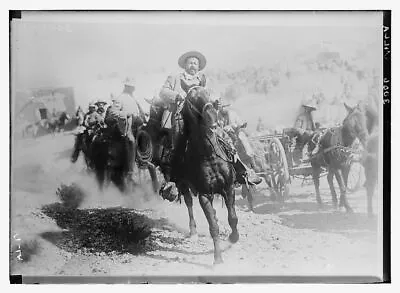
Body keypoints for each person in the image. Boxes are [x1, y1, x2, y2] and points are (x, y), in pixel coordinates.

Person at [158, 51, 261, 196]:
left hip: (203, 119)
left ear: (199, 66)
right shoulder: (175, 78)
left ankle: (242, 171)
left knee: (225, 139)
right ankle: (173, 183)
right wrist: (176, 95)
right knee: (179, 145)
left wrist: (216, 101)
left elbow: (213, 95)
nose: (193, 65)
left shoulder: (205, 80)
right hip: (182, 117)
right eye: (190, 62)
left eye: (195, 62)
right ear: (185, 65)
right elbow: (162, 92)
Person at [104, 78, 146, 175]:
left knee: (147, 136)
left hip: (137, 126)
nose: (132, 89)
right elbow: (112, 112)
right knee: (130, 141)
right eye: (129, 87)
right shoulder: (120, 98)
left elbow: (141, 113)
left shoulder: (134, 99)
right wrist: (126, 114)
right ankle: (130, 170)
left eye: (132, 87)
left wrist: (141, 118)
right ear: (126, 87)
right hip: (126, 127)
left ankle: (144, 163)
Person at [213, 98, 258, 170]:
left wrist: (240, 125)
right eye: (222, 107)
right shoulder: (218, 116)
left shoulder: (233, 114)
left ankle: (251, 158)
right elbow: (218, 128)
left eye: (225, 106)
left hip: (236, 133)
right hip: (226, 137)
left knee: (242, 137)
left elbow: (239, 124)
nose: (223, 108)